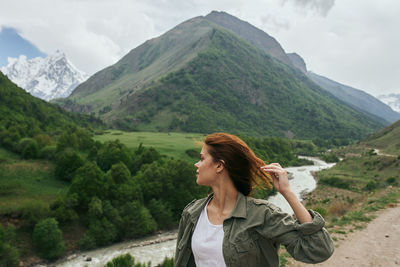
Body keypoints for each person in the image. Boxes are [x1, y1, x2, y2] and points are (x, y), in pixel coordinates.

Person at [174, 133, 334, 267]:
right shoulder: (192, 212)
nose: (196, 164)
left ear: (219, 166)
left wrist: (287, 192)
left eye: (202, 158)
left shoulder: (262, 215)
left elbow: (318, 250)